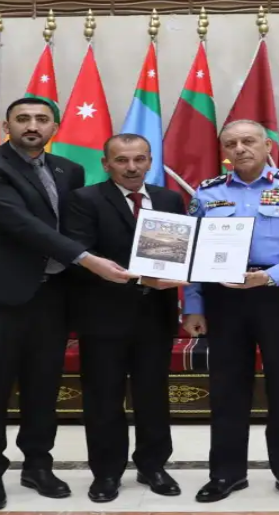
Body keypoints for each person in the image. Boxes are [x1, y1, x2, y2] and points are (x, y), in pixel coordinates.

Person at [0, 97, 134, 511]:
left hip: (52, 294)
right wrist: (88, 259)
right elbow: (20, 223)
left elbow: (76, 225)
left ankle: (38, 465)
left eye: (41, 119)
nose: (32, 126)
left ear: (55, 127)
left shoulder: (68, 170)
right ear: (7, 125)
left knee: (43, 386)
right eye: (22, 119)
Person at [182, 119, 279, 506]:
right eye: (231, 143)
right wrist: (194, 304)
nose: (240, 148)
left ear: (268, 146)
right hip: (223, 296)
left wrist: (272, 276)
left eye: (249, 141)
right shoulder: (208, 192)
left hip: (277, 293)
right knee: (226, 388)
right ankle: (226, 473)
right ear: (224, 151)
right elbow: (193, 252)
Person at [62, 133, 185, 502]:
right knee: (103, 398)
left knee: (153, 395)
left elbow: (180, 253)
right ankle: (106, 473)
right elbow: (80, 258)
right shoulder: (84, 200)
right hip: (103, 316)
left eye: (139, 159)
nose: (131, 167)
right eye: (122, 160)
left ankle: (153, 465)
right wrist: (142, 277)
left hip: (155, 315)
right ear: (106, 164)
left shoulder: (169, 199)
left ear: (150, 161)